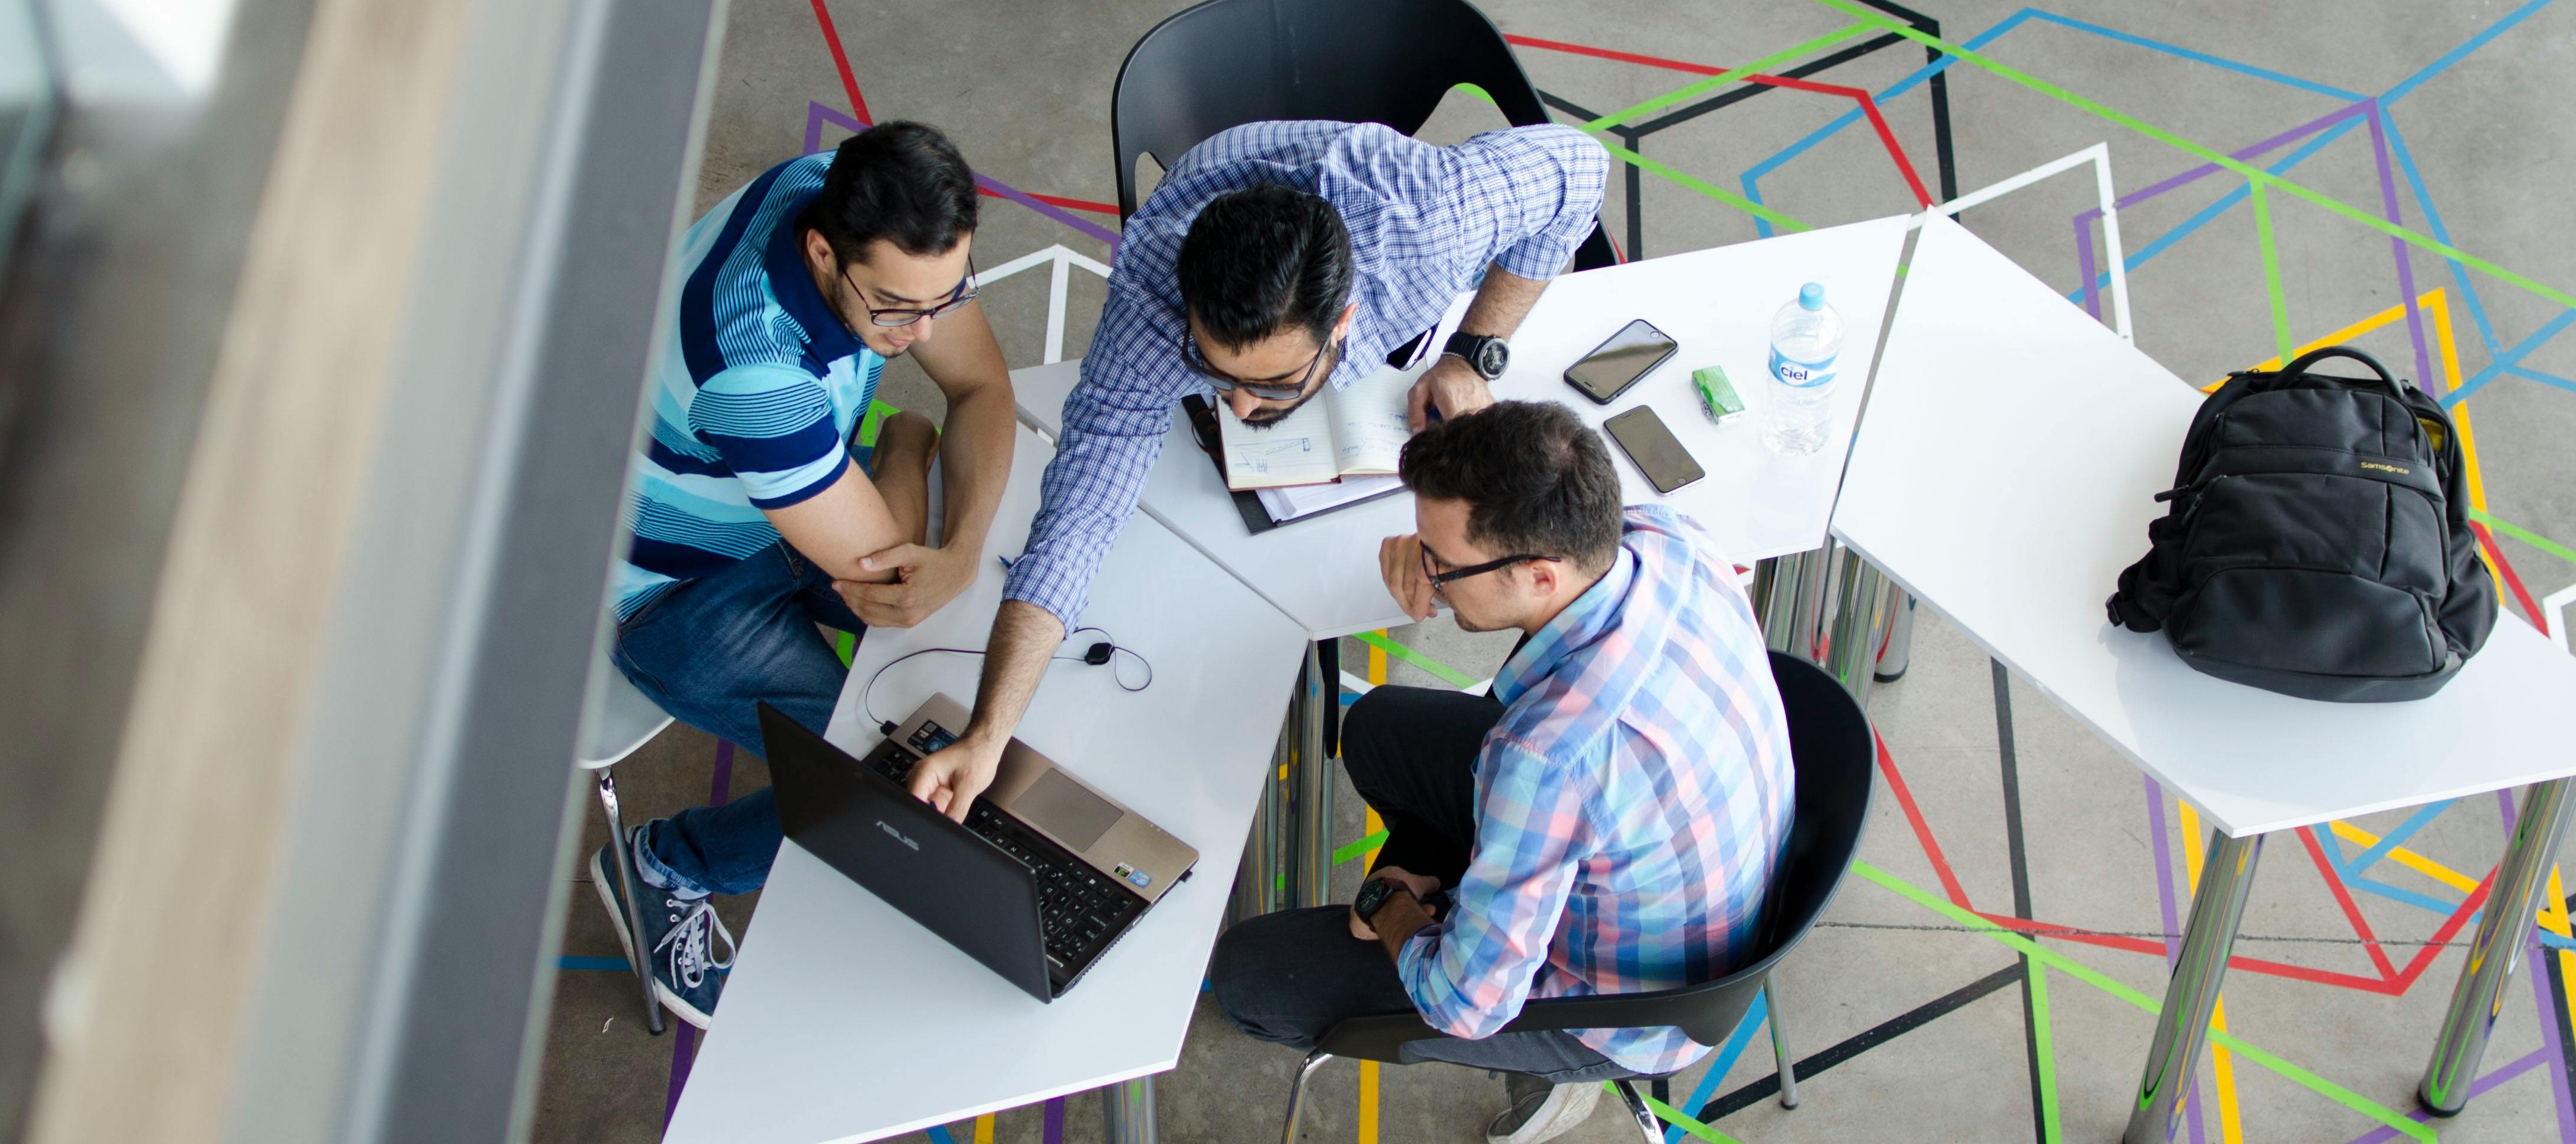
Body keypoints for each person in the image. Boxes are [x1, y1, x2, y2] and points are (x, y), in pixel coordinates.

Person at [900, 119, 1610, 825]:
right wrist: (988, 733)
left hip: (1377, 200)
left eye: (1271, 385)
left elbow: (1582, 168)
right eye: (1212, 370)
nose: (1237, 407)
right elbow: (1076, 520)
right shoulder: (1152, 299)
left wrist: (1474, 348)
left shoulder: (1427, 224)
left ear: (1343, 324)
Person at [1208, 402, 1796, 1144]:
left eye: (1441, 564)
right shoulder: (1666, 538)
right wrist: (1431, 550)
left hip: (1624, 1008)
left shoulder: (1546, 756)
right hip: (1700, 879)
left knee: (1249, 974)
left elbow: (1465, 1003)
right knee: (1379, 728)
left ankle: (1552, 1072)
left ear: (1540, 574)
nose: (1428, 574)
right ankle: (1476, 898)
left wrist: (1390, 901)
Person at [590, 122, 1017, 1028]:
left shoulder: (847, 194)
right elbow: (897, 581)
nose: (926, 331)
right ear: (823, 252)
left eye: (949, 297)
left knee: (964, 636)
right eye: (898, 310)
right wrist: (905, 449)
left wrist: (962, 548)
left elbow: (981, 389)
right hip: (671, 587)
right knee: (870, 779)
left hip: (778, 500)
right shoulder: (756, 373)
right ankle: (668, 865)